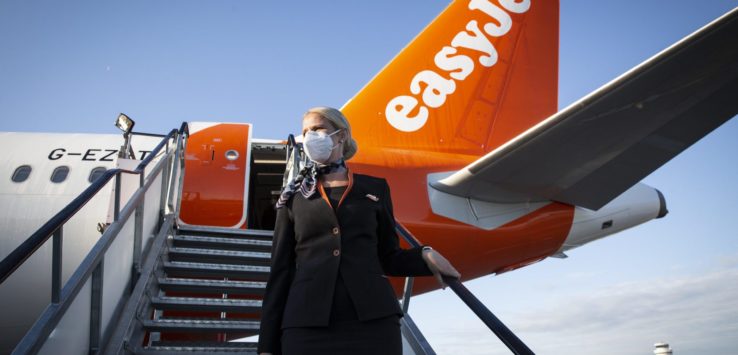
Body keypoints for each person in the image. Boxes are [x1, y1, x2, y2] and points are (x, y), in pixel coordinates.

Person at [257, 107, 461, 355]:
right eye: (305, 131)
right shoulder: (293, 196)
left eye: (318, 129)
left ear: (341, 136)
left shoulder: (375, 188)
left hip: (373, 322)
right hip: (307, 324)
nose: (310, 137)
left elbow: (389, 257)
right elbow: (281, 271)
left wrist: (424, 255)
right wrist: (267, 344)